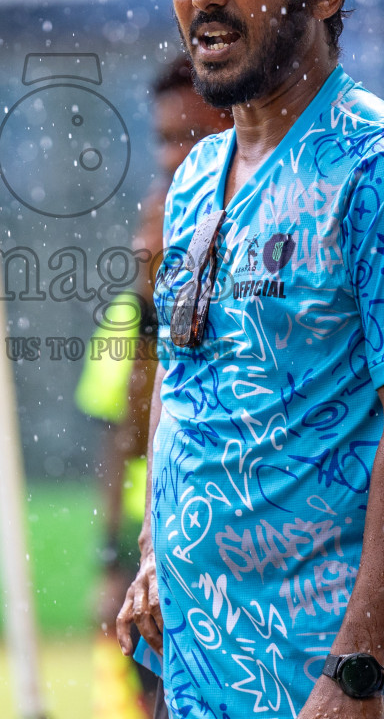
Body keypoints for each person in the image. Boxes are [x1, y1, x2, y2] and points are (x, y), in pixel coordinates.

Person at [114, 0, 384, 719]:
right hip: (205, 669)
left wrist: (358, 670)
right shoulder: (198, 174)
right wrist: (154, 553)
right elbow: (185, 379)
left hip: (332, 678)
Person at [76, 57, 232, 719]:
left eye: (189, 138)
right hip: (159, 546)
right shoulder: (143, 273)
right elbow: (121, 433)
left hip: (234, 540)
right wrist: (111, 559)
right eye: (164, 140)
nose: (172, 158)